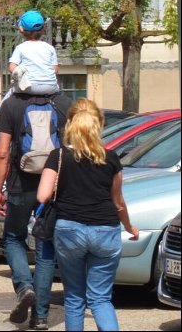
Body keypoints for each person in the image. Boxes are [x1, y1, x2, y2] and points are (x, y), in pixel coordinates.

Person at [0, 12, 72, 330]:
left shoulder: (13, 105)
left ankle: (23, 287)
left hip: (20, 181)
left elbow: (1, 152)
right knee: (45, 248)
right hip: (53, 183)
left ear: (21, 32)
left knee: (13, 237)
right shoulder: (64, 104)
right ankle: (41, 317)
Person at [37, 99, 138, 332]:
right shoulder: (110, 158)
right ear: (99, 125)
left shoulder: (59, 156)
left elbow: (43, 196)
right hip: (106, 230)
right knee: (101, 299)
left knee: (74, 298)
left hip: (69, 229)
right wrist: (130, 227)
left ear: (70, 123)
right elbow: (118, 202)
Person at [7, 10, 59, 96]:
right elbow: (55, 70)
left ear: (21, 29)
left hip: (29, 88)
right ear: (43, 29)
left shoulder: (20, 48)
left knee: (7, 98)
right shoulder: (50, 48)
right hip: (50, 88)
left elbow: (11, 68)